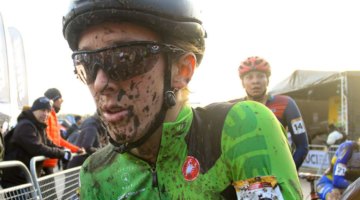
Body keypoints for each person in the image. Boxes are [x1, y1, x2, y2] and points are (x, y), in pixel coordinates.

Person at [62, 0, 303, 199]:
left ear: (182, 70)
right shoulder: (95, 174)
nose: (101, 83)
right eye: (86, 64)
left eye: (124, 58)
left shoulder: (241, 129)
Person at [229, 56, 309, 170]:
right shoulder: (233, 107)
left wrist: (288, 174)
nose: (255, 81)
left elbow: (302, 146)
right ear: (242, 83)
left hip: (277, 173)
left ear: (268, 80)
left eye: (261, 76)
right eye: (249, 77)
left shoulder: (286, 104)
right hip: (244, 176)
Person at [1, 97, 72, 188]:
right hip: (17, 180)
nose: (46, 114)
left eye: (48, 111)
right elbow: (37, 148)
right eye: (43, 110)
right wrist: (62, 154)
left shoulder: (38, 126)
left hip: (26, 178)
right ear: (34, 110)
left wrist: (64, 150)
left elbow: (48, 143)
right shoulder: (25, 126)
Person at [43, 88, 83, 174]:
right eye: (60, 99)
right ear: (53, 100)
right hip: (44, 164)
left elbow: (59, 140)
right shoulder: (47, 115)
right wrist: (62, 151)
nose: (62, 101)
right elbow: (46, 139)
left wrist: (76, 149)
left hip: (49, 163)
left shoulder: (53, 116)